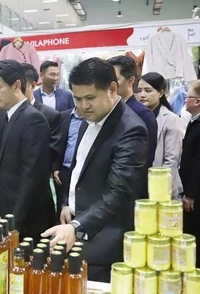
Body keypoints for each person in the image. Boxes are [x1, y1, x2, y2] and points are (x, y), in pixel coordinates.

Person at [42, 58, 149, 282]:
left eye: (90, 98)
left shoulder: (131, 130)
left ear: (112, 89)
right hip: (76, 226)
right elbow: (77, 167)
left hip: (103, 241)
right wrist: (66, 203)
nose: (82, 106)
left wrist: (78, 225)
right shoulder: (87, 120)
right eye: (77, 99)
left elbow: (119, 192)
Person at [0, 60, 56, 242]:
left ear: (16, 85)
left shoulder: (33, 119)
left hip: (27, 217)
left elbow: (32, 177)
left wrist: (14, 224)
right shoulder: (4, 113)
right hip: (5, 206)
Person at [108, 56, 158, 198]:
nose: (109, 85)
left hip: (131, 192)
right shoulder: (107, 110)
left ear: (130, 81)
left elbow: (145, 159)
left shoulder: (142, 114)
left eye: (115, 80)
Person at [137, 72, 185, 200]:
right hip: (139, 183)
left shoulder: (171, 120)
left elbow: (171, 160)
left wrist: (157, 188)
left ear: (160, 93)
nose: (142, 95)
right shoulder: (135, 116)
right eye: (139, 90)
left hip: (161, 187)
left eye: (148, 90)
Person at [22, 63, 62, 163]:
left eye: (57, 74)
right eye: (52, 74)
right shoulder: (3, 111)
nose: (56, 78)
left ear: (32, 85)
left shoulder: (51, 114)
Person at [180, 80, 200, 267]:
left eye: (187, 97)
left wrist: (191, 194)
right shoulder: (193, 122)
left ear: (197, 101)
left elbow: (198, 162)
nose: (184, 100)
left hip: (195, 194)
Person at [52, 107, 83, 216]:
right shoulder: (64, 116)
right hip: (65, 170)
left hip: (82, 170)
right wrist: (55, 168)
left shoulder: (92, 119)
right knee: (62, 206)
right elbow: (57, 143)